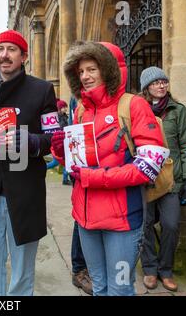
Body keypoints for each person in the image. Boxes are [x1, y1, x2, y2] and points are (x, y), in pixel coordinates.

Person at [51, 41, 165, 296]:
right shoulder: (80, 110)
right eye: (80, 71)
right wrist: (62, 153)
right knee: (98, 287)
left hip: (123, 223)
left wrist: (93, 177)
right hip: (86, 219)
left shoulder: (134, 105)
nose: (85, 76)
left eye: (91, 69)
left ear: (108, 69)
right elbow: (77, 167)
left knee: (120, 289)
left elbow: (147, 168)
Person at [0, 30, 57, 296]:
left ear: (24, 56)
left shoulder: (42, 90)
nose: (4, 55)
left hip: (25, 191)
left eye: (12, 49)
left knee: (22, 272)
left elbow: (53, 137)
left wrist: (29, 142)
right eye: (0, 49)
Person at [139, 67, 186, 292]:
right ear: (147, 87)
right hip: (145, 178)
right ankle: (150, 269)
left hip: (172, 180)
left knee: (171, 226)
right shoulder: (139, 109)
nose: (161, 85)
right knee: (144, 225)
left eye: (164, 81)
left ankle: (166, 270)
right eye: (156, 82)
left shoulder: (178, 110)